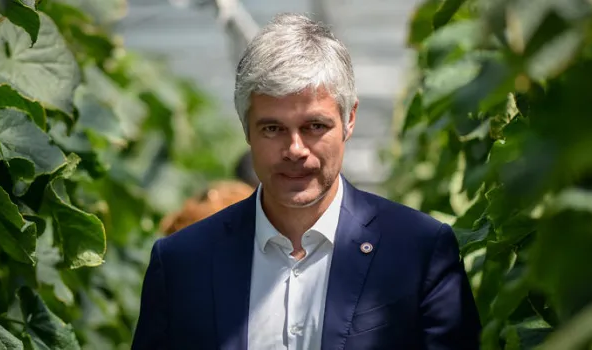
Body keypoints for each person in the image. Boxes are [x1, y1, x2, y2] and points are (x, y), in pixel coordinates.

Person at [132, 13, 481, 350]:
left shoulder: (419, 252)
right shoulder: (182, 262)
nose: (295, 149)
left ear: (349, 120)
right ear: (246, 128)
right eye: (273, 128)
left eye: (315, 126)